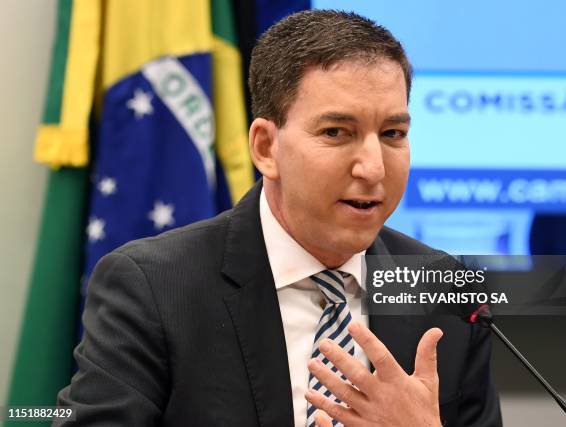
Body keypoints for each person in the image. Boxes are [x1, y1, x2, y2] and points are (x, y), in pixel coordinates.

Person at [54, 10, 501, 427]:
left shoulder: (446, 289)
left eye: (392, 134)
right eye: (336, 132)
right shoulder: (155, 286)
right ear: (266, 147)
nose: (374, 167)